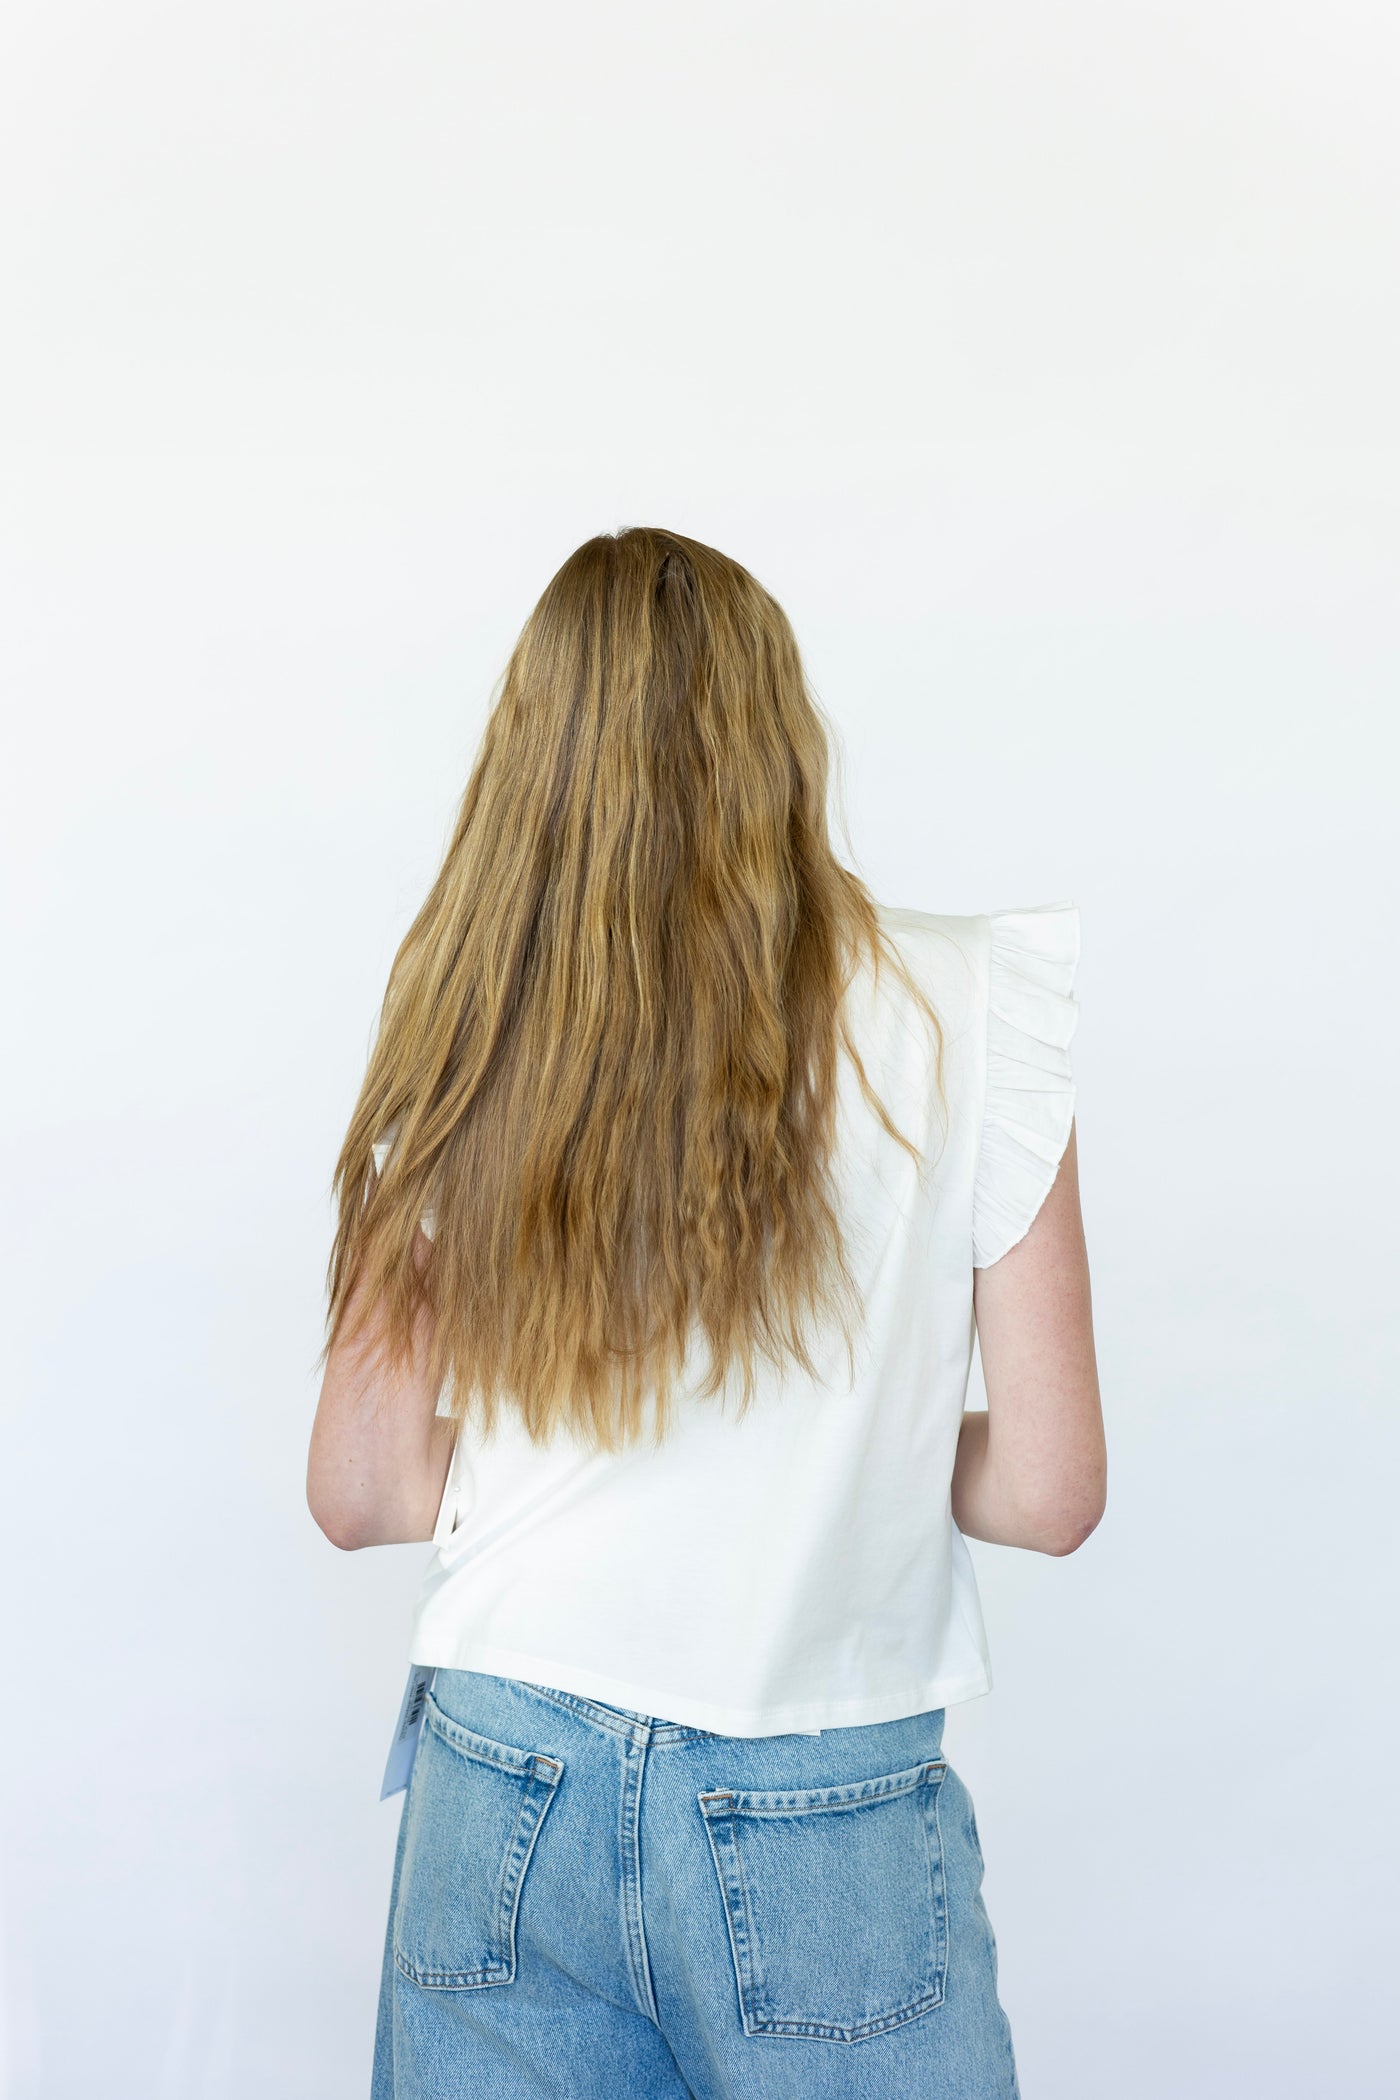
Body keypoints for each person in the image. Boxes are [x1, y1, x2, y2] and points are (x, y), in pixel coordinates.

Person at [307, 525, 1106, 2099]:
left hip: (504, 1777)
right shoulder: (971, 1005)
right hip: (824, 1803)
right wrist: (858, 1444)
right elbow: (1053, 1490)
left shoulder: (468, 1023)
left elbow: (361, 1493)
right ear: (779, 739)